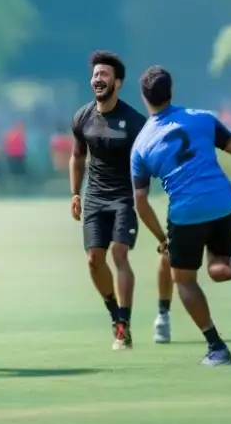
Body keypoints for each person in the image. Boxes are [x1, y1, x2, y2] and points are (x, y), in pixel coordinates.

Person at [130, 66, 231, 367]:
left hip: (186, 211)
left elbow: (141, 201)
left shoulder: (141, 145)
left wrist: (162, 239)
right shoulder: (202, 118)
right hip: (222, 202)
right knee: (217, 264)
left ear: (143, 97)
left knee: (184, 279)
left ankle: (217, 348)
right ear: (171, 90)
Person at [70, 50, 165, 350]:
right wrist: (75, 192)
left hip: (124, 197)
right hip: (95, 197)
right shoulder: (82, 117)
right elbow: (77, 156)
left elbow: (148, 158)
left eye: (105, 75)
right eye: (96, 74)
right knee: (93, 260)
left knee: (120, 254)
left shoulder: (135, 122)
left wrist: (143, 191)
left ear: (118, 82)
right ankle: (114, 314)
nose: (98, 79)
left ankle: (124, 324)